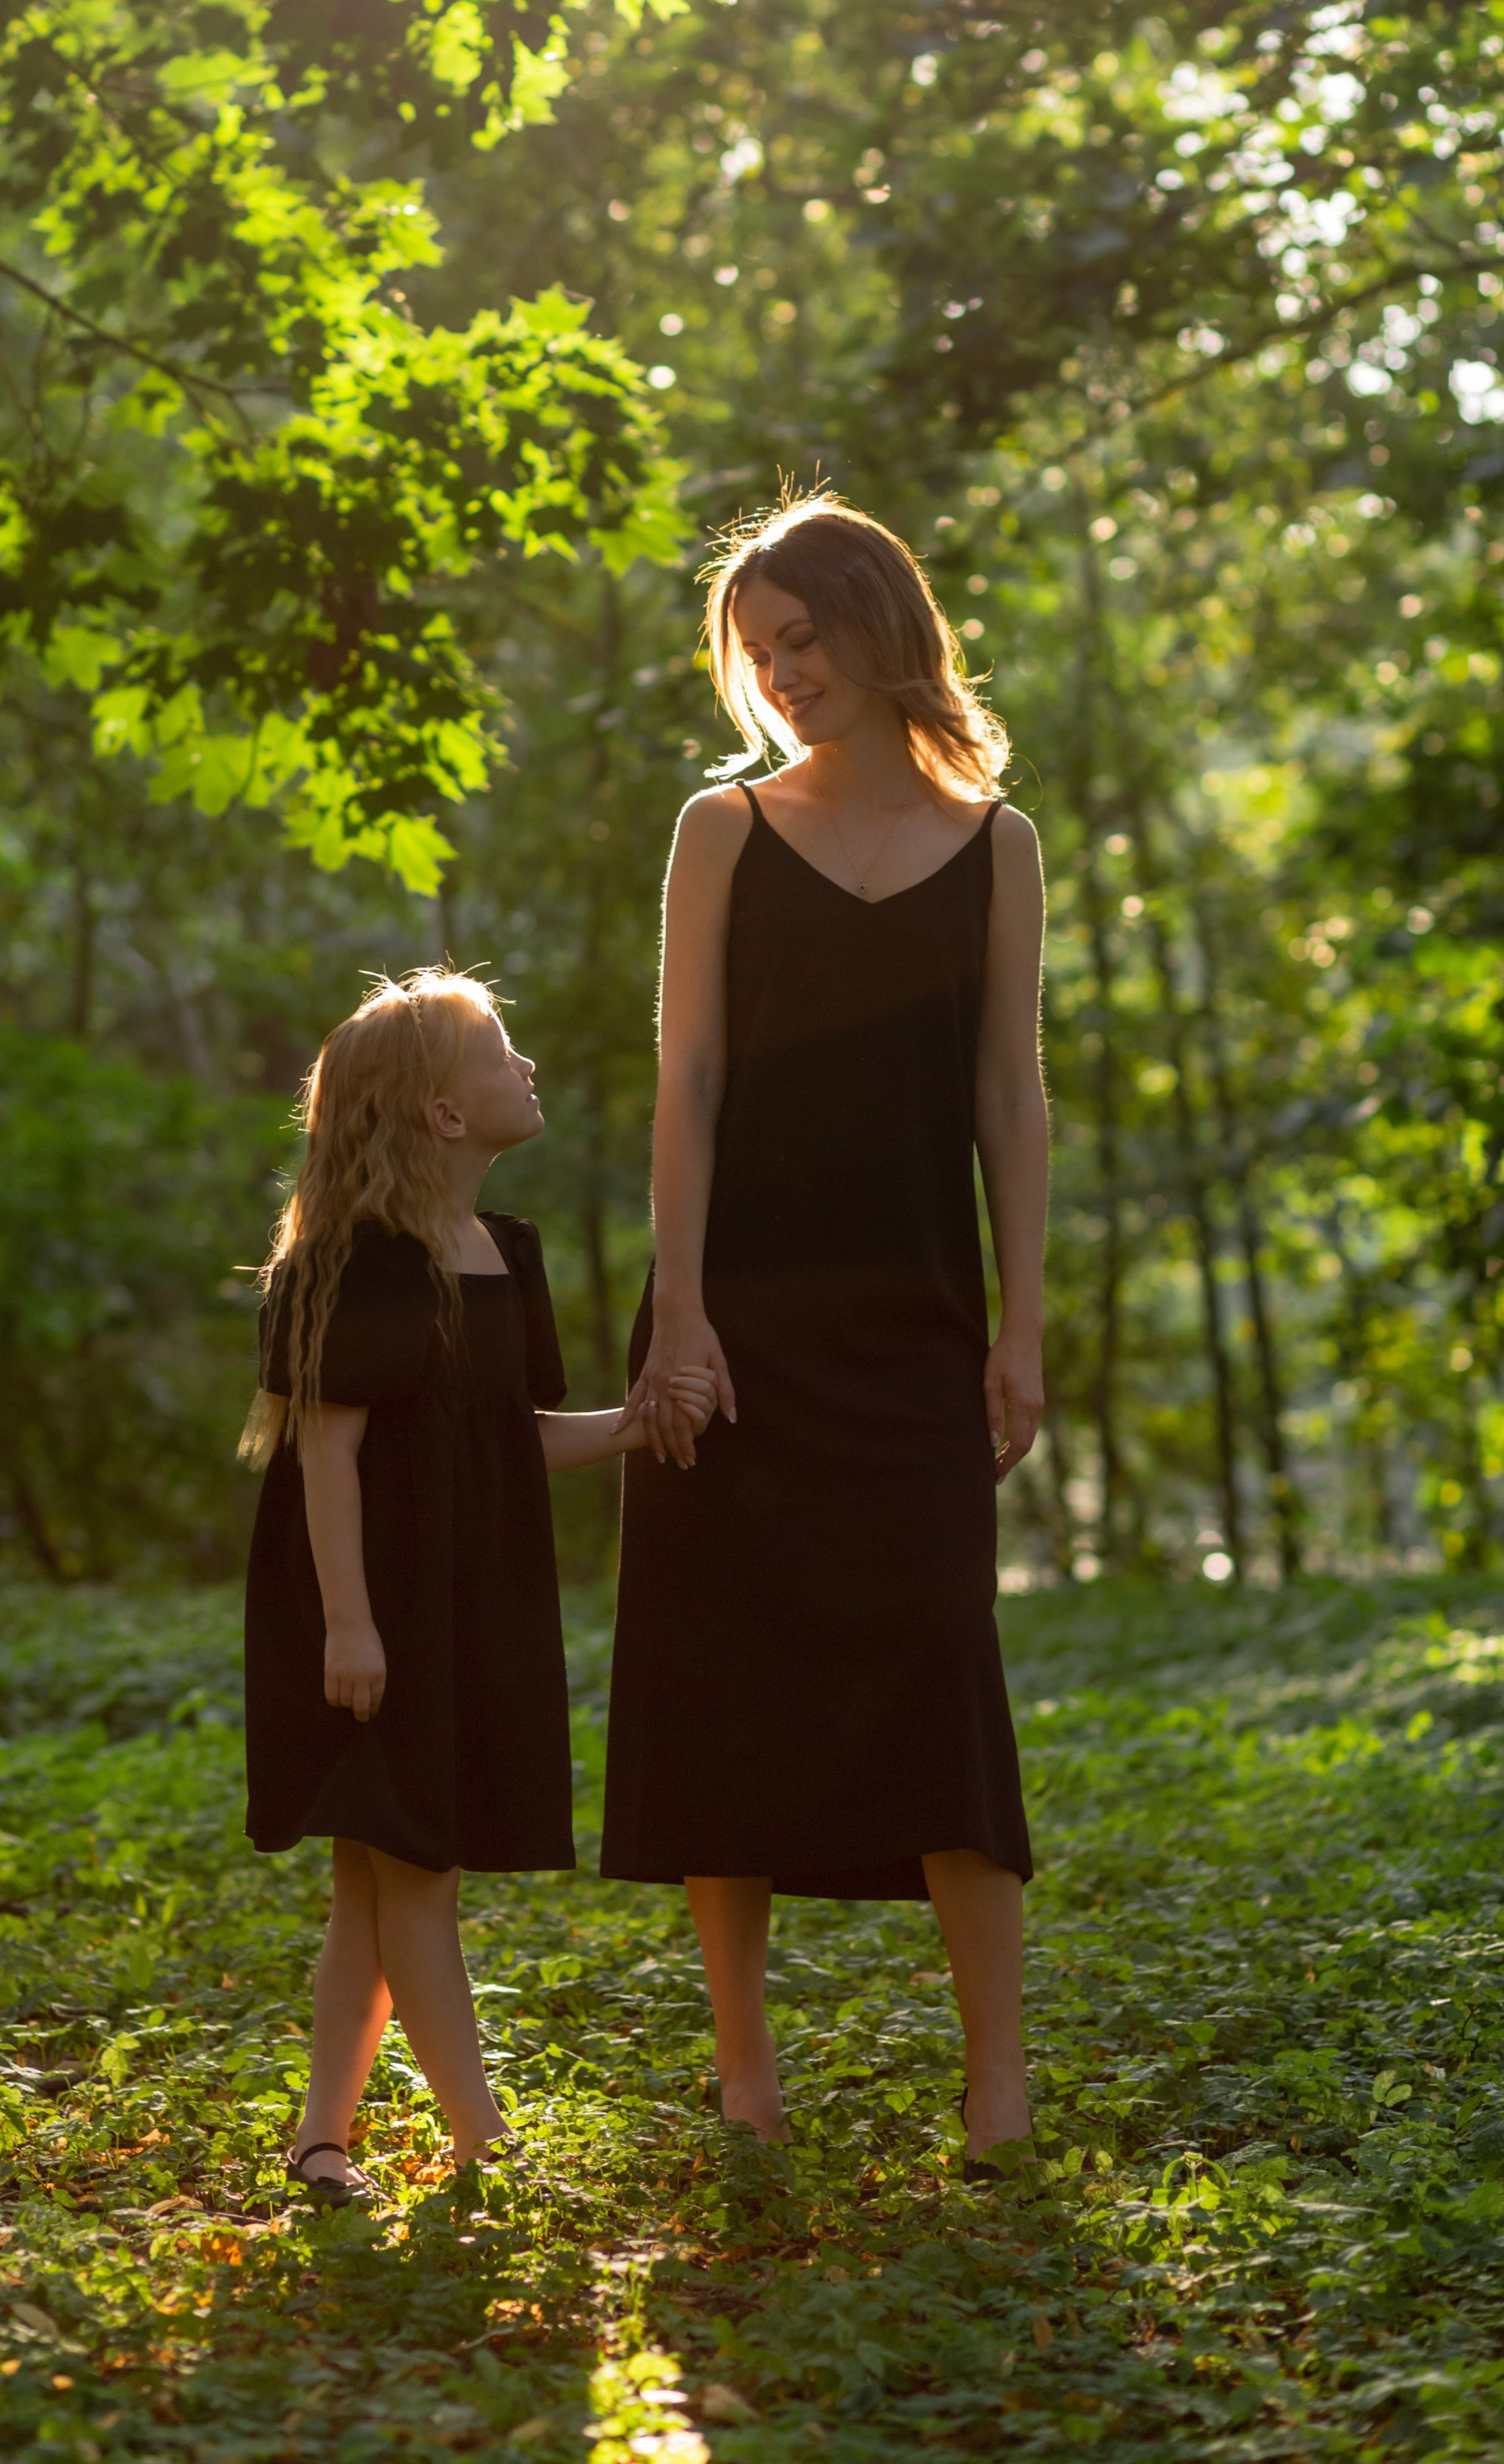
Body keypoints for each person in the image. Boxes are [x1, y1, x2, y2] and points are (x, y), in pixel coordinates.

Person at [603, 488, 1048, 2175]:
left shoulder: (997, 845)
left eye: (804, 638)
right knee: (719, 1676)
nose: (783, 674)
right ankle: (745, 2072)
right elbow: (689, 1080)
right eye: (758, 651)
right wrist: (681, 1316)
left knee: (943, 1667)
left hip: (917, 1324)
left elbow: (1009, 1099)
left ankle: (996, 2083)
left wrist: (1020, 1326)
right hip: (732, 1322)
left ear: (879, 623)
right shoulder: (720, 828)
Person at [241, 970, 716, 2202]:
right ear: (445, 1114)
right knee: (418, 1875)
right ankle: (484, 2143)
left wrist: (635, 1422)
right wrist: (350, 1625)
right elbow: (325, 1452)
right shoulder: (357, 1262)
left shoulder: (506, 1252)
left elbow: (508, 1439)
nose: (529, 1069)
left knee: (374, 1881)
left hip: (469, 1602)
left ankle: (321, 2140)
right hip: (372, 1607)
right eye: (503, 1054)